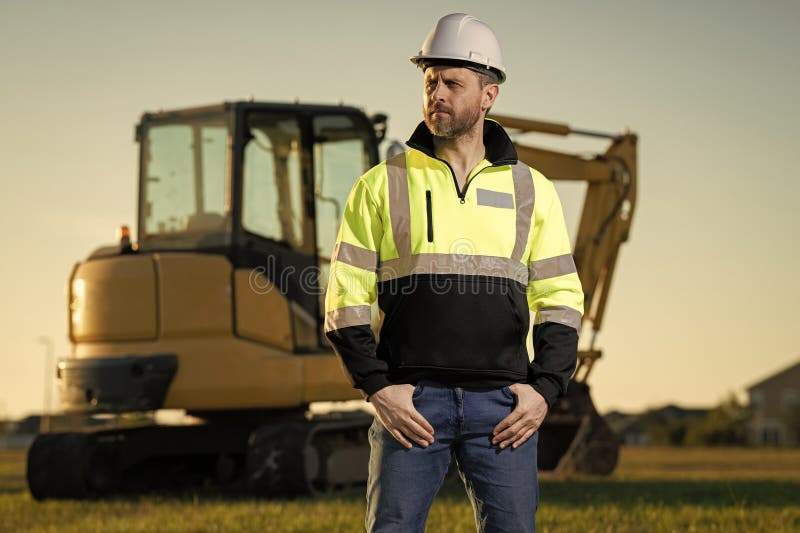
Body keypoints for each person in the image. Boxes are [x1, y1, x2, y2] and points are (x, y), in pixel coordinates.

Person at [324, 13, 584, 533]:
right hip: (412, 404)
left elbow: (560, 297)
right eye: (430, 82)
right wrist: (378, 388)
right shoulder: (382, 184)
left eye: (452, 83)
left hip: (504, 408)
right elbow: (344, 298)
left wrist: (545, 389)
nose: (436, 94)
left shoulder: (532, 190)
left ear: (489, 95)